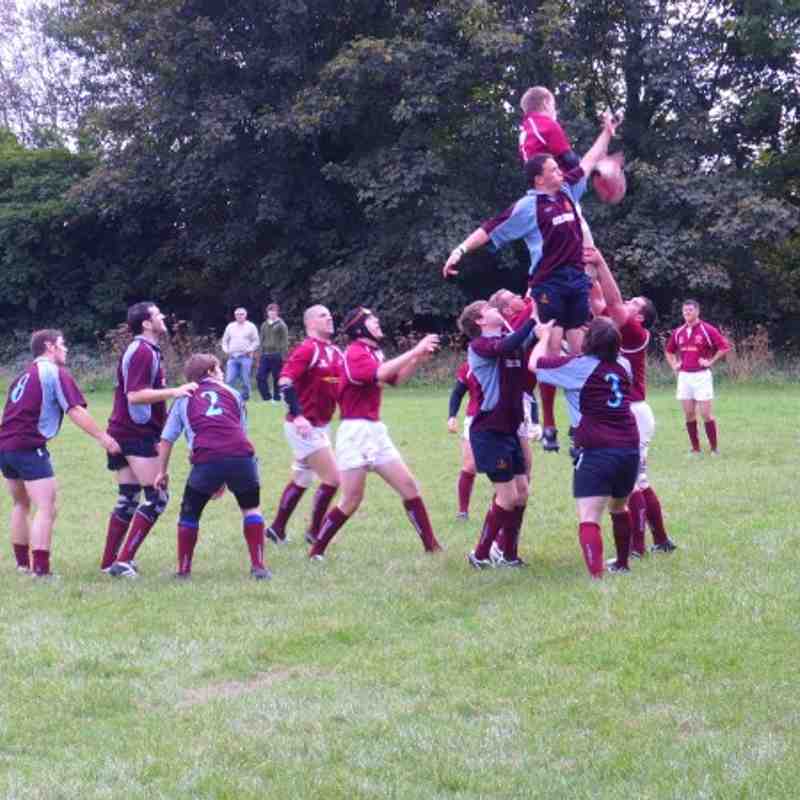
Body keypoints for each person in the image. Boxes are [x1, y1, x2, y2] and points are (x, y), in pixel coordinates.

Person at [443, 111, 620, 454]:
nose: (560, 170)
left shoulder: (568, 191)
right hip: (548, 285)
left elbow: (588, 160)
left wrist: (607, 133)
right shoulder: (527, 207)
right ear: (539, 179)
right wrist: (459, 250)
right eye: (553, 168)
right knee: (551, 357)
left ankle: (578, 430)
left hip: (576, 283)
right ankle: (546, 423)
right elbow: (490, 228)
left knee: (581, 356)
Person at [308, 308, 441, 559]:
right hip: (355, 433)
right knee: (351, 500)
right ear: (360, 328)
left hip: (375, 431)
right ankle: (316, 550)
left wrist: (416, 360)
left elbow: (393, 380)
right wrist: (413, 350)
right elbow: (380, 373)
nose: (378, 321)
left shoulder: (373, 352)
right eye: (371, 319)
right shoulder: (356, 352)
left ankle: (431, 546)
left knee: (409, 487)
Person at [0, 330, 120, 577]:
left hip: (5, 446)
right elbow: (74, 410)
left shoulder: (23, 375)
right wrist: (104, 438)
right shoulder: (54, 372)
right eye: (63, 344)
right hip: (29, 447)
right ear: (50, 346)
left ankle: (23, 565)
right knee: (47, 507)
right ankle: (41, 572)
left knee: (20, 504)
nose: (66, 349)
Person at [586, 246, 677, 556]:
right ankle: (661, 540)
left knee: (632, 483)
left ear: (639, 316)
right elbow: (598, 299)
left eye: (634, 303)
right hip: (628, 412)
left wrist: (599, 260)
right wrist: (586, 269)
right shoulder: (614, 324)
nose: (627, 301)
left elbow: (610, 301)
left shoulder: (635, 331)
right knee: (639, 480)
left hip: (633, 413)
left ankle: (637, 548)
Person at [531, 316, 639, 578]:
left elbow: (534, 364)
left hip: (597, 449)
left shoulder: (579, 367)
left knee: (589, 516)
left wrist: (544, 336)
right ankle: (622, 564)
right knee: (619, 507)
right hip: (629, 448)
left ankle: (597, 577)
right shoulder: (624, 364)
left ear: (589, 342)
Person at [101, 302, 198, 578]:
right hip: (135, 433)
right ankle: (122, 562)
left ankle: (110, 562)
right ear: (146, 323)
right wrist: (175, 391)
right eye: (157, 315)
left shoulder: (148, 349)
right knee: (158, 497)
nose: (163, 317)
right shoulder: (142, 350)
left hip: (123, 430)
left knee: (128, 498)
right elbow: (135, 395)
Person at [155, 354, 271, 579]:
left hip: (207, 459)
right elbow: (240, 432)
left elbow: (167, 439)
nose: (222, 372)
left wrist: (162, 471)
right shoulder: (233, 393)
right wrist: (229, 476)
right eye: (219, 368)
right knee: (251, 508)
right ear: (209, 372)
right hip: (241, 457)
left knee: (190, 512)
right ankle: (259, 567)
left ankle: (183, 571)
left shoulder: (183, 397)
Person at [457, 299, 537, 569]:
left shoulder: (507, 338)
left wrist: (537, 305)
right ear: (479, 321)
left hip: (510, 429)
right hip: (489, 431)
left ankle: (509, 554)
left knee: (522, 491)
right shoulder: (480, 346)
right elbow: (507, 345)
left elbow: (519, 342)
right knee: (507, 497)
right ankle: (479, 555)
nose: (495, 309)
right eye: (488, 308)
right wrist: (533, 320)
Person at [267, 305, 343, 545]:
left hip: (321, 424)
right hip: (303, 426)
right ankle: (314, 532)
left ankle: (277, 529)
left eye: (330, 314)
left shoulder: (333, 350)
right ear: (310, 323)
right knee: (333, 478)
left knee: (302, 478)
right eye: (323, 315)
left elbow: (333, 380)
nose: (329, 317)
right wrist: (297, 415)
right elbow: (285, 380)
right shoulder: (307, 349)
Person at [665, 300, 731, 455]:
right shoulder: (679, 332)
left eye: (690, 310)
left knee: (706, 414)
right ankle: (695, 449)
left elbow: (724, 347)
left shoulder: (707, 329)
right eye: (684, 311)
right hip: (685, 377)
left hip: (701, 376)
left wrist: (710, 361)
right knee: (688, 414)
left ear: (697, 312)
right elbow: (669, 351)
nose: (687, 313)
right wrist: (674, 365)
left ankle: (714, 449)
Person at [447, 359, 481, 520]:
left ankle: (503, 507)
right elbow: (457, 392)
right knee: (469, 466)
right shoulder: (469, 366)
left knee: (502, 467)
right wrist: (452, 416)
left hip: (499, 418)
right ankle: (463, 511)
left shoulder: (502, 361)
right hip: (474, 419)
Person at [221, 307, 259, 402]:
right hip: (232, 357)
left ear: (245, 315)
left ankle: (245, 398)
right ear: (235, 316)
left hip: (246, 357)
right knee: (229, 379)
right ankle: (229, 397)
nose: (240, 316)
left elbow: (256, 341)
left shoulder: (251, 326)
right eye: (237, 314)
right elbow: (224, 341)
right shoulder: (230, 326)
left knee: (245, 379)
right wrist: (226, 350)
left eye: (242, 314)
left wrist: (249, 349)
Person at [257, 303, 289, 402]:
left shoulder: (281, 324)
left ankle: (277, 397)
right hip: (265, 355)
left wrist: (283, 356)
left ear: (277, 312)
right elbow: (261, 339)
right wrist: (260, 353)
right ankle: (267, 398)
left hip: (277, 355)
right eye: (270, 312)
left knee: (277, 377)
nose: (272, 313)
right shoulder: (264, 325)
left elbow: (284, 341)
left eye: (274, 311)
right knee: (260, 376)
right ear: (267, 313)